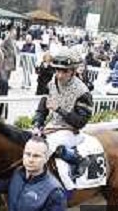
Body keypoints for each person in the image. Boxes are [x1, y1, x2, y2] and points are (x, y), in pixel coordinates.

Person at [32, 48, 92, 180]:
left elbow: (80, 122)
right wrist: (37, 123)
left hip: (71, 131)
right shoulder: (52, 84)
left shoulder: (83, 92)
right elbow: (42, 108)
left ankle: (79, 160)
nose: (59, 75)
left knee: (49, 146)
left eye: (64, 71)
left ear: (73, 71)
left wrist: (59, 109)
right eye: (57, 70)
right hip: (52, 127)